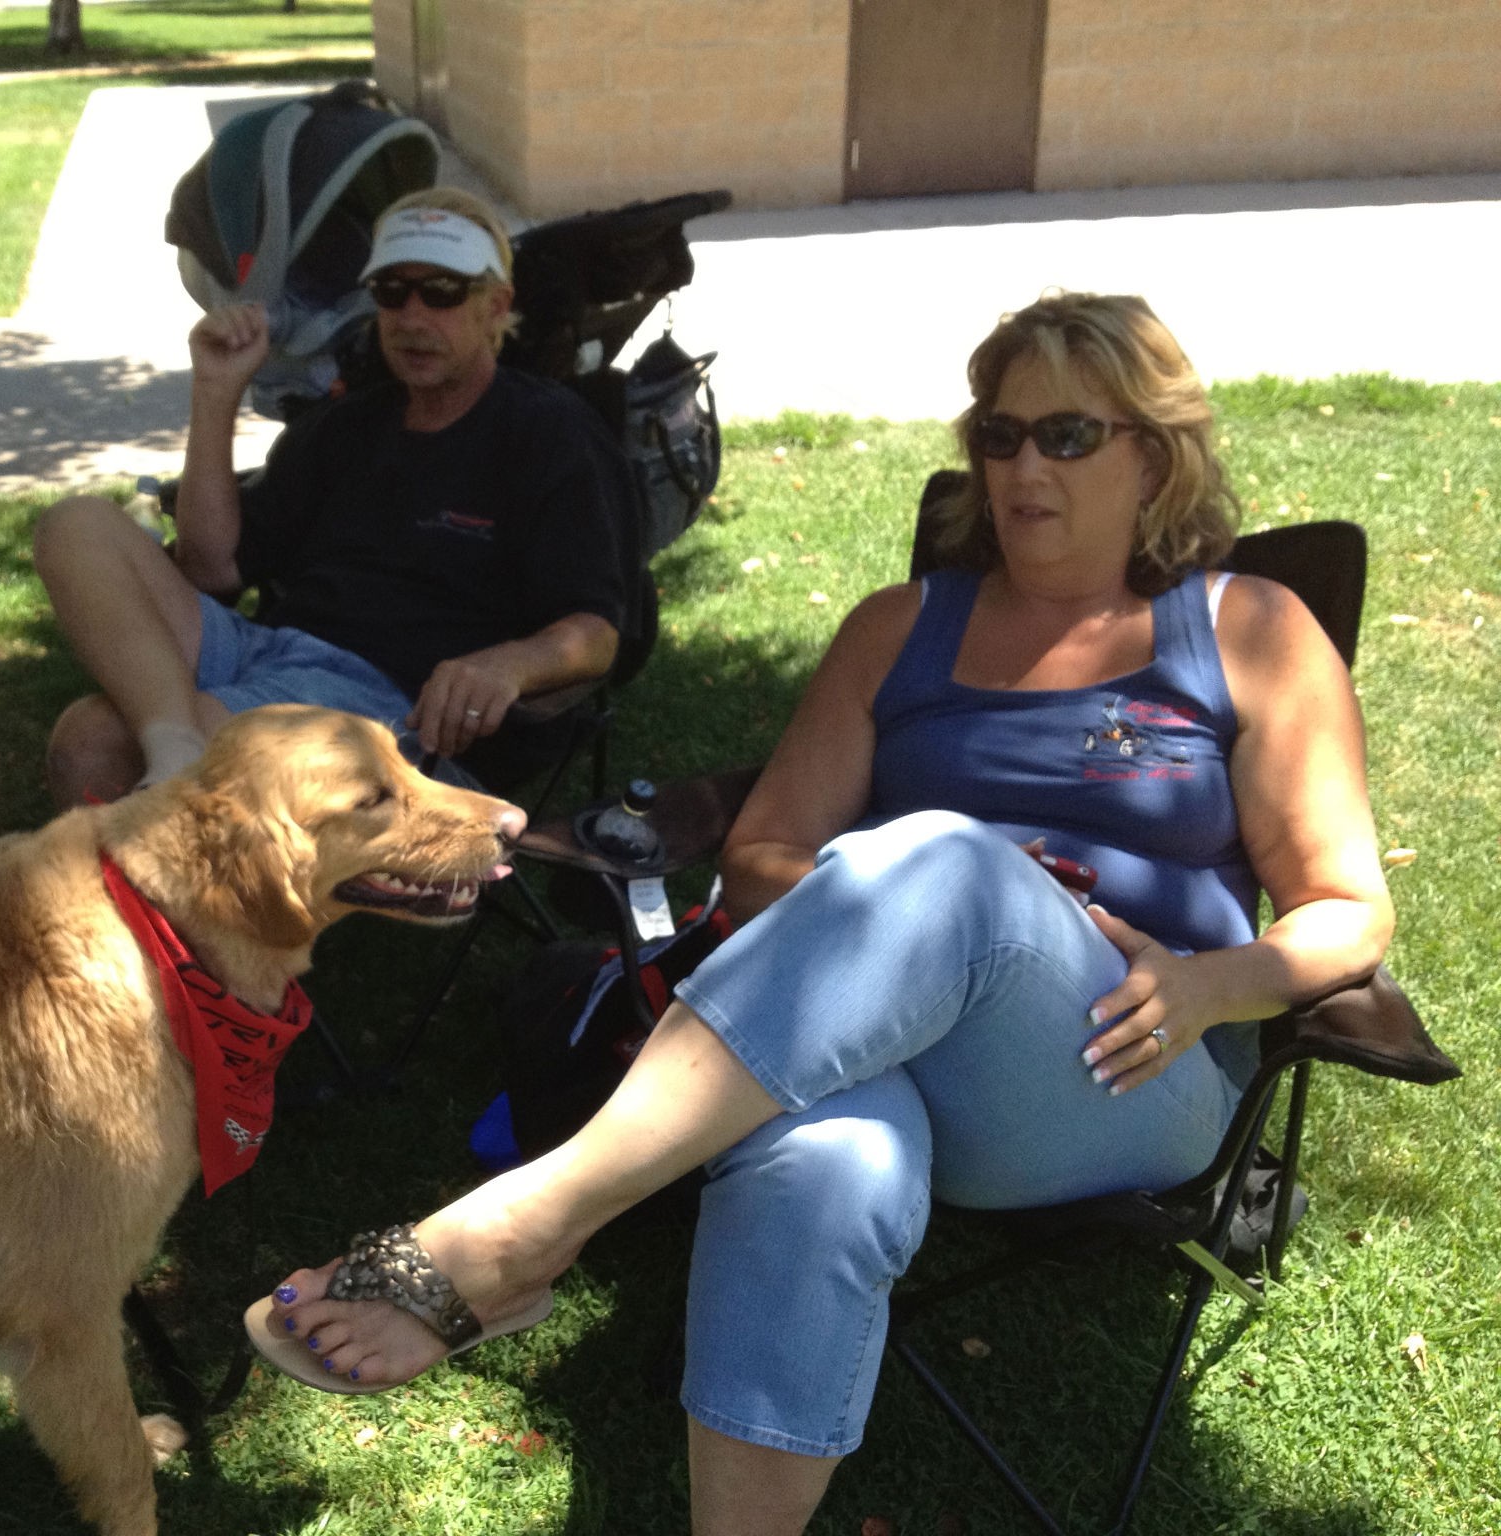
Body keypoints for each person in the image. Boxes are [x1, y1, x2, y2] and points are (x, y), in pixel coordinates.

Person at [246, 293, 1396, 1534]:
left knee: (949, 865)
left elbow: (1345, 910)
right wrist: (904, 922)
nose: (1020, 467)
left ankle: (535, 1220)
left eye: (1067, 435)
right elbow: (758, 865)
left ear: (1153, 454)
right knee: (827, 1155)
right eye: (997, 436)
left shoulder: (1247, 631)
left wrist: (1205, 985)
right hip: (878, 1030)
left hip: (1122, 1062)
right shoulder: (896, 632)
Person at [32, 186, 636, 805]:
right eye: (393, 292)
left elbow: (597, 634)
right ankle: (173, 751)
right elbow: (210, 570)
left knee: (94, 744)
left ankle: (147, 868)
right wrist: (216, 392)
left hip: (394, 699)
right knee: (76, 524)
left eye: (444, 293)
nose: (414, 317)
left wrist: (505, 666)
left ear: (496, 306)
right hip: (275, 650)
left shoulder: (548, 433)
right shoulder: (347, 426)